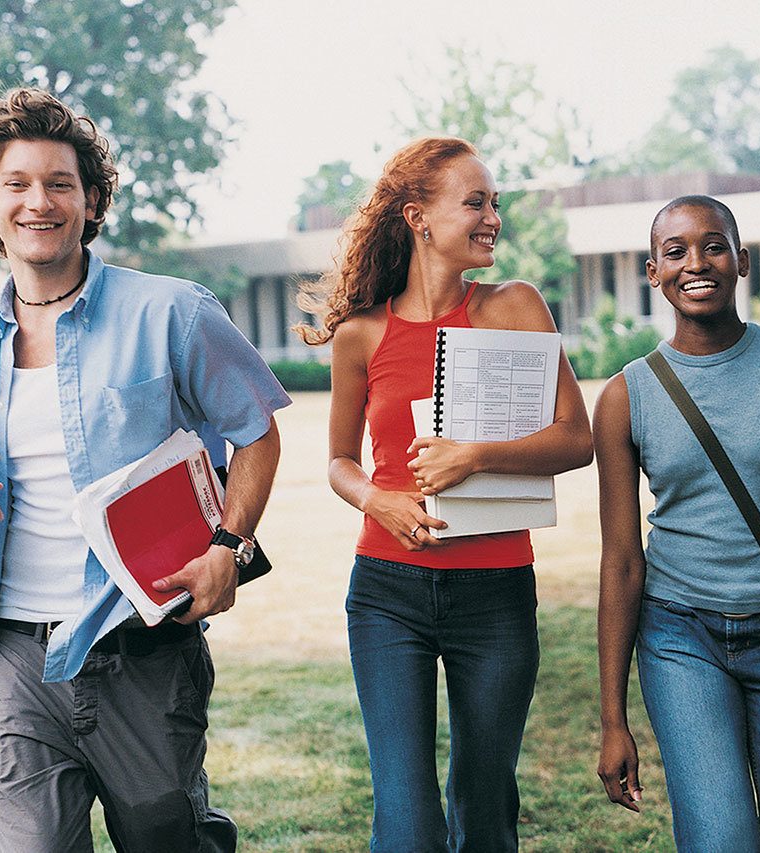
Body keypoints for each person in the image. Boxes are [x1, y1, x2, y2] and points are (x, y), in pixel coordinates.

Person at [0, 88, 290, 851]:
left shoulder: (173, 312)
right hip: (14, 657)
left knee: (168, 839)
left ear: (92, 201)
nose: (39, 202)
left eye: (61, 183)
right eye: (16, 184)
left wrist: (229, 546)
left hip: (142, 650)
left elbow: (256, 434)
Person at [296, 136, 592, 853]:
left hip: (495, 593)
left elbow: (576, 437)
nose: (492, 216)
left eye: (495, 203)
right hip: (387, 592)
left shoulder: (516, 306)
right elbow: (338, 459)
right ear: (418, 217)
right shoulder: (362, 335)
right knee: (407, 818)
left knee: (484, 806)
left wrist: (476, 457)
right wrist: (378, 498)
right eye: (476, 202)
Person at [594, 195, 760, 852]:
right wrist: (613, 717)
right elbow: (622, 560)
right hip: (681, 640)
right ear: (653, 271)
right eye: (676, 250)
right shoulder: (625, 395)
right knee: (720, 840)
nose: (698, 262)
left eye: (714, 245)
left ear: (741, 261)